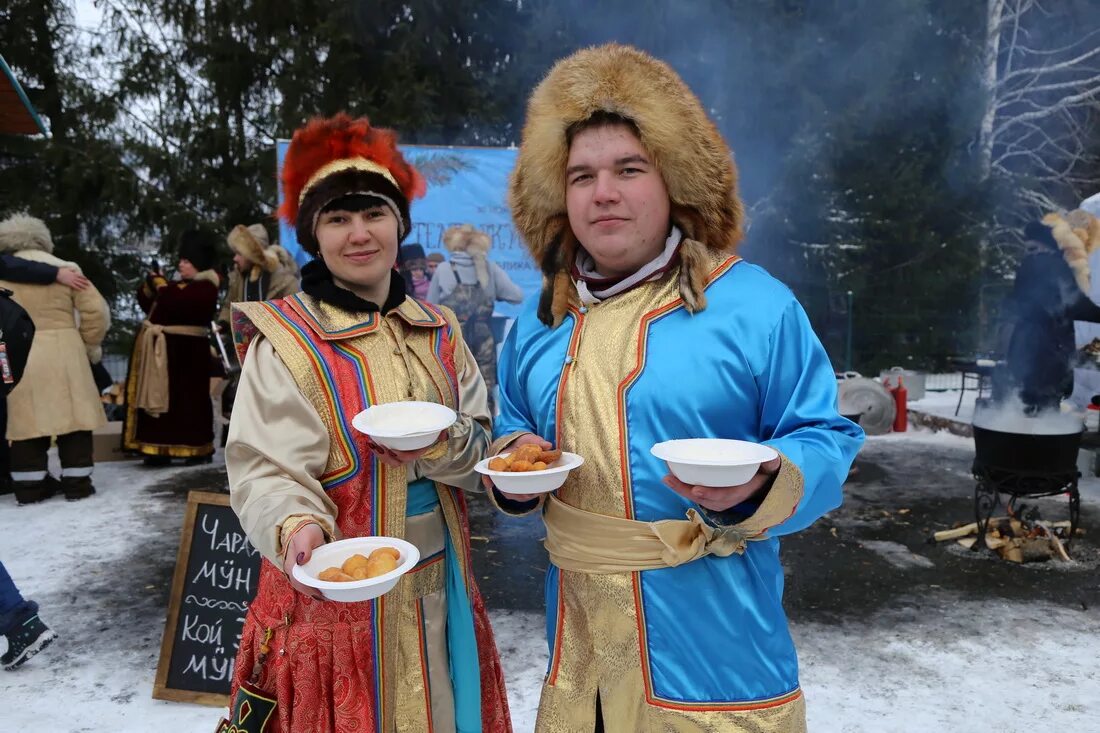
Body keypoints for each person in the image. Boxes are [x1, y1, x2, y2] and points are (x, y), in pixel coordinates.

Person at [487, 45, 864, 731]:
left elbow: (827, 436)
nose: (604, 192)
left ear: (673, 180)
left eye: (629, 169)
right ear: (558, 195)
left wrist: (765, 481)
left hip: (715, 658)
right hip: (579, 663)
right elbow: (511, 420)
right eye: (581, 175)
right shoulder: (539, 317)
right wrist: (514, 460)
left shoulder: (753, 305)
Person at [223, 113, 511, 733]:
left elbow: (480, 441)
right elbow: (262, 466)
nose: (359, 234)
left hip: (439, 579)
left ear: (399, 225)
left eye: (374, 214)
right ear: (314, 236)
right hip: (334, 589)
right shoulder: (287, 340)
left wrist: (441, 449)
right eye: (337, 218)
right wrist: (295, 527)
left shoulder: (439, 330)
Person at [0, 214, 111, 503]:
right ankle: (77, 484)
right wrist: (89, 345)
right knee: (73, 420)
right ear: (43, 239)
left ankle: (29, 488)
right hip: (65, 350)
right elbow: (96, 313)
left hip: (18, 354)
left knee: (25, 423)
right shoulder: (67, 269)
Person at [122, 229, 221, 465]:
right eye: (181, 260)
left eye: (186, 261)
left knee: (189, 401)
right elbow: (155, 304)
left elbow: (178, 303)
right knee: (159, 397)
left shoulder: (207, 286)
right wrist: (150, 284)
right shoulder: (176, 285)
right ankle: (157, 449)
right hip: (164, 352)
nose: (181, 265)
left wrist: (162, 286)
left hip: (188, 356)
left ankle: (194, 449)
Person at [1001, 210, 1100, 413]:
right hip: (1048, 350)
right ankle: (1042, 443)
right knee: (1045, 409)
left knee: (1025, 406)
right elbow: (1074, 304)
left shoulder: (1028, 265)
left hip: (1025, 347)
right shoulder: (1052, 265)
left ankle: (1020, 441)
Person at [427, 224, 524, 409]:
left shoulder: (444, 269)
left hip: (453, 339)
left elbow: (430, 308)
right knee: (484, 390)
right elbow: (516, 296)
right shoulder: (489, 268)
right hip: (484, 338)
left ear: (453, 245)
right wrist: (494, 291)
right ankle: (486, 431)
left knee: (453, 388)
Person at [216, 223, 300, 328]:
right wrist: (224, 322)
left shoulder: (284, 280)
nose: (235, 258)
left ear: (251, 254)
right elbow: (229, 304)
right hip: (247, 343)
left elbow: (296, 316)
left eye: (239, 253)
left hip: (274, 342)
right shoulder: (239, 277)